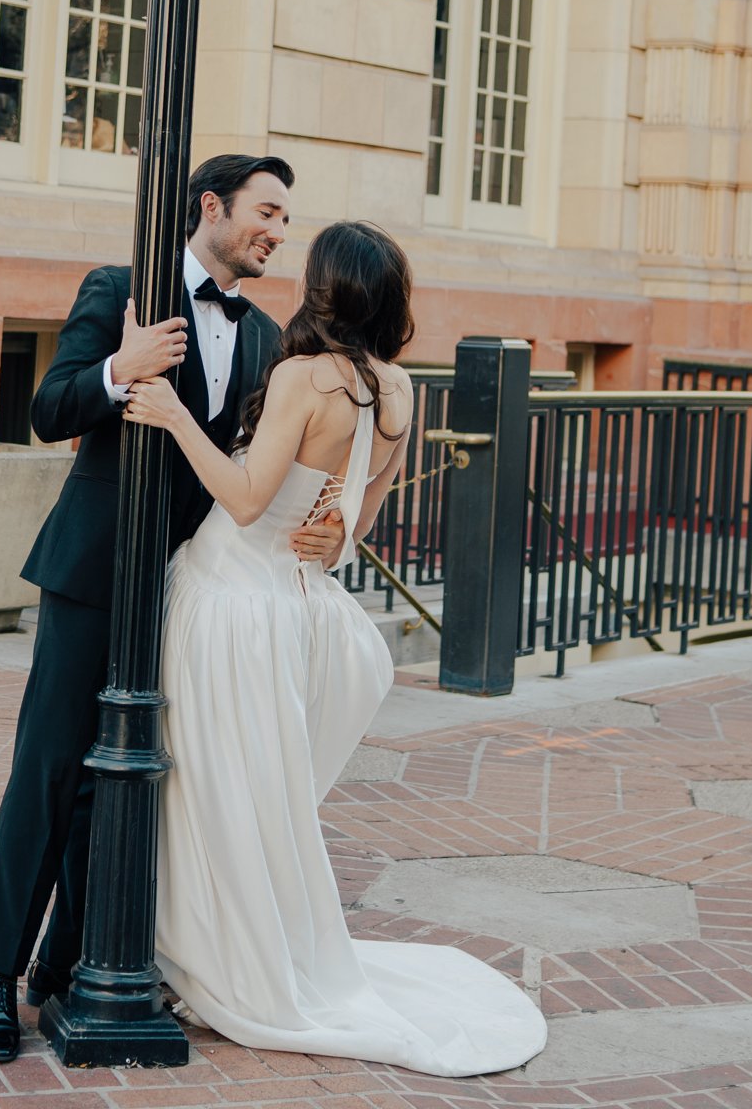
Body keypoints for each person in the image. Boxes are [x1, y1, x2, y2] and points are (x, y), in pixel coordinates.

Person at [124, 220, 547, 1077]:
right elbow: (358, 520)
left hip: (230, 603)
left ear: (326, 290)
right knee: (257, 799)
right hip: (294, 610)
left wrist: (170, 415)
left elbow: (245, 500)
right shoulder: (397, 391)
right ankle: (234, 948)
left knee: (213, 793)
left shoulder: (303, 378)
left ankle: (215, 960)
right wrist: (334, 538)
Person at [0, 153, 344, 1064]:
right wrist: (117, 371)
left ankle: (68, 966)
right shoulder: (119, 287)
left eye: (286, 219)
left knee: (128, 783)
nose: (277, 232)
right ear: (210, 206)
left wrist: (331, 532)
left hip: (187, 591)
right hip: (93, 575)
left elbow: (267, 474)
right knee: (51, 771)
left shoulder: (264, 338)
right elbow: (45, 411)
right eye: (266, 211)